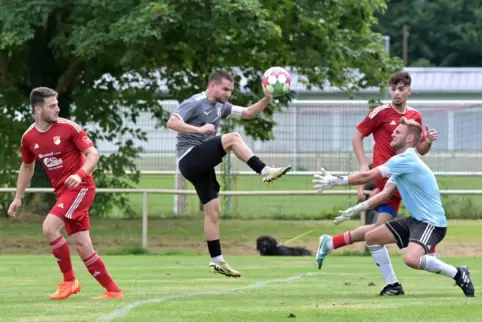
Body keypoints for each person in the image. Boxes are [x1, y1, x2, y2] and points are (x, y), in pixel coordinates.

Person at [313, 117, 475, 297]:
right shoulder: (401, 162)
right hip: (417, 221)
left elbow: (368, 175)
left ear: (408, 139)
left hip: (432, 223)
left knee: (411, 259)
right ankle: (393, 286)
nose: (393, 133)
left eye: (398, 132)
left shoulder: (406, 160)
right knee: (372, 237)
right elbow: (385, 194)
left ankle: (459, 274)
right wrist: (356, 210)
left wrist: (337, 180)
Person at [314, 72, 439, 294]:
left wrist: (427, 141)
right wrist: (363, 164)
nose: (397, 93)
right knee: (418, 212)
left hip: (404, 174)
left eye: (401, 88)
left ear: (409, 90)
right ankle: (428, 252)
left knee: (377, 230)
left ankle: (332, 243)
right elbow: (357, 136)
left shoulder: (414, 116)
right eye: (393, 88)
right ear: (389, 90)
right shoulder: (380, 112)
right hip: (386, 174)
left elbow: (420, 150)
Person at [166, 70, 291, 277]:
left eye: (231, 90)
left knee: (213, 212)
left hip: (201, 165)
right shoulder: (195, 102)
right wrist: (198, 130)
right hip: (189, 158)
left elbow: (249, 113)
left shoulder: (221, 107)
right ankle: (265, 171)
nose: (228, 94)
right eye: (225, 89)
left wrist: (267, 98)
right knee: (232, 138)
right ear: (212, 85)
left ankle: (217, 261)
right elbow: (172, 122)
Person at [8, 87, 123, 300]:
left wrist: (79, 174)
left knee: (49, 227)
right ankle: (113, 291)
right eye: (52, 106)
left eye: (57, 104)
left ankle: (69, 282)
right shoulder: (28, 137)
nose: (57, 109)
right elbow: (27, 166)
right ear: (37, 109)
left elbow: (93, 155)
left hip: (81, 188)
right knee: (82, 245)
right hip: (64, 194)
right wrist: (17, 197)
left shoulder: (69, 128)